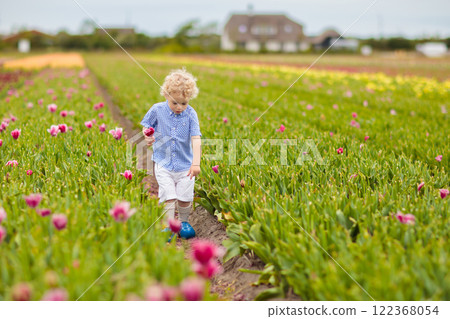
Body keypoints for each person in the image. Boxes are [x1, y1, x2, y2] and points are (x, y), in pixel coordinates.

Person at [140, 68, 201, 239]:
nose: (180, 107)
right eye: (175, 103)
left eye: (184, 103)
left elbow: (196, 138)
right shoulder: (157, 110)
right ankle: (169, 225)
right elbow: (146, 128)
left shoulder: (191, 114)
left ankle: (183, 222)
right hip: (163, 163)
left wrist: (196, 163)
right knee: (169, 195)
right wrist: (148, 136)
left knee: (184, 196)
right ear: (166, 95)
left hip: (185, 165)